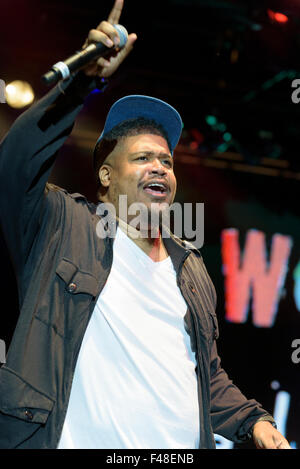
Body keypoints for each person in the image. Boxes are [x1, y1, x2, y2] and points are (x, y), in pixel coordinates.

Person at [0, 0, 291, 450]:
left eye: (166, 161)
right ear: (105, 175)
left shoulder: (190, 268)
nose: (159, 167)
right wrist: (80, 85)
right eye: (142, 158)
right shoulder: (63, 225)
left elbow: (205, 378)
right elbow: (15, 166)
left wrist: (254, 421)